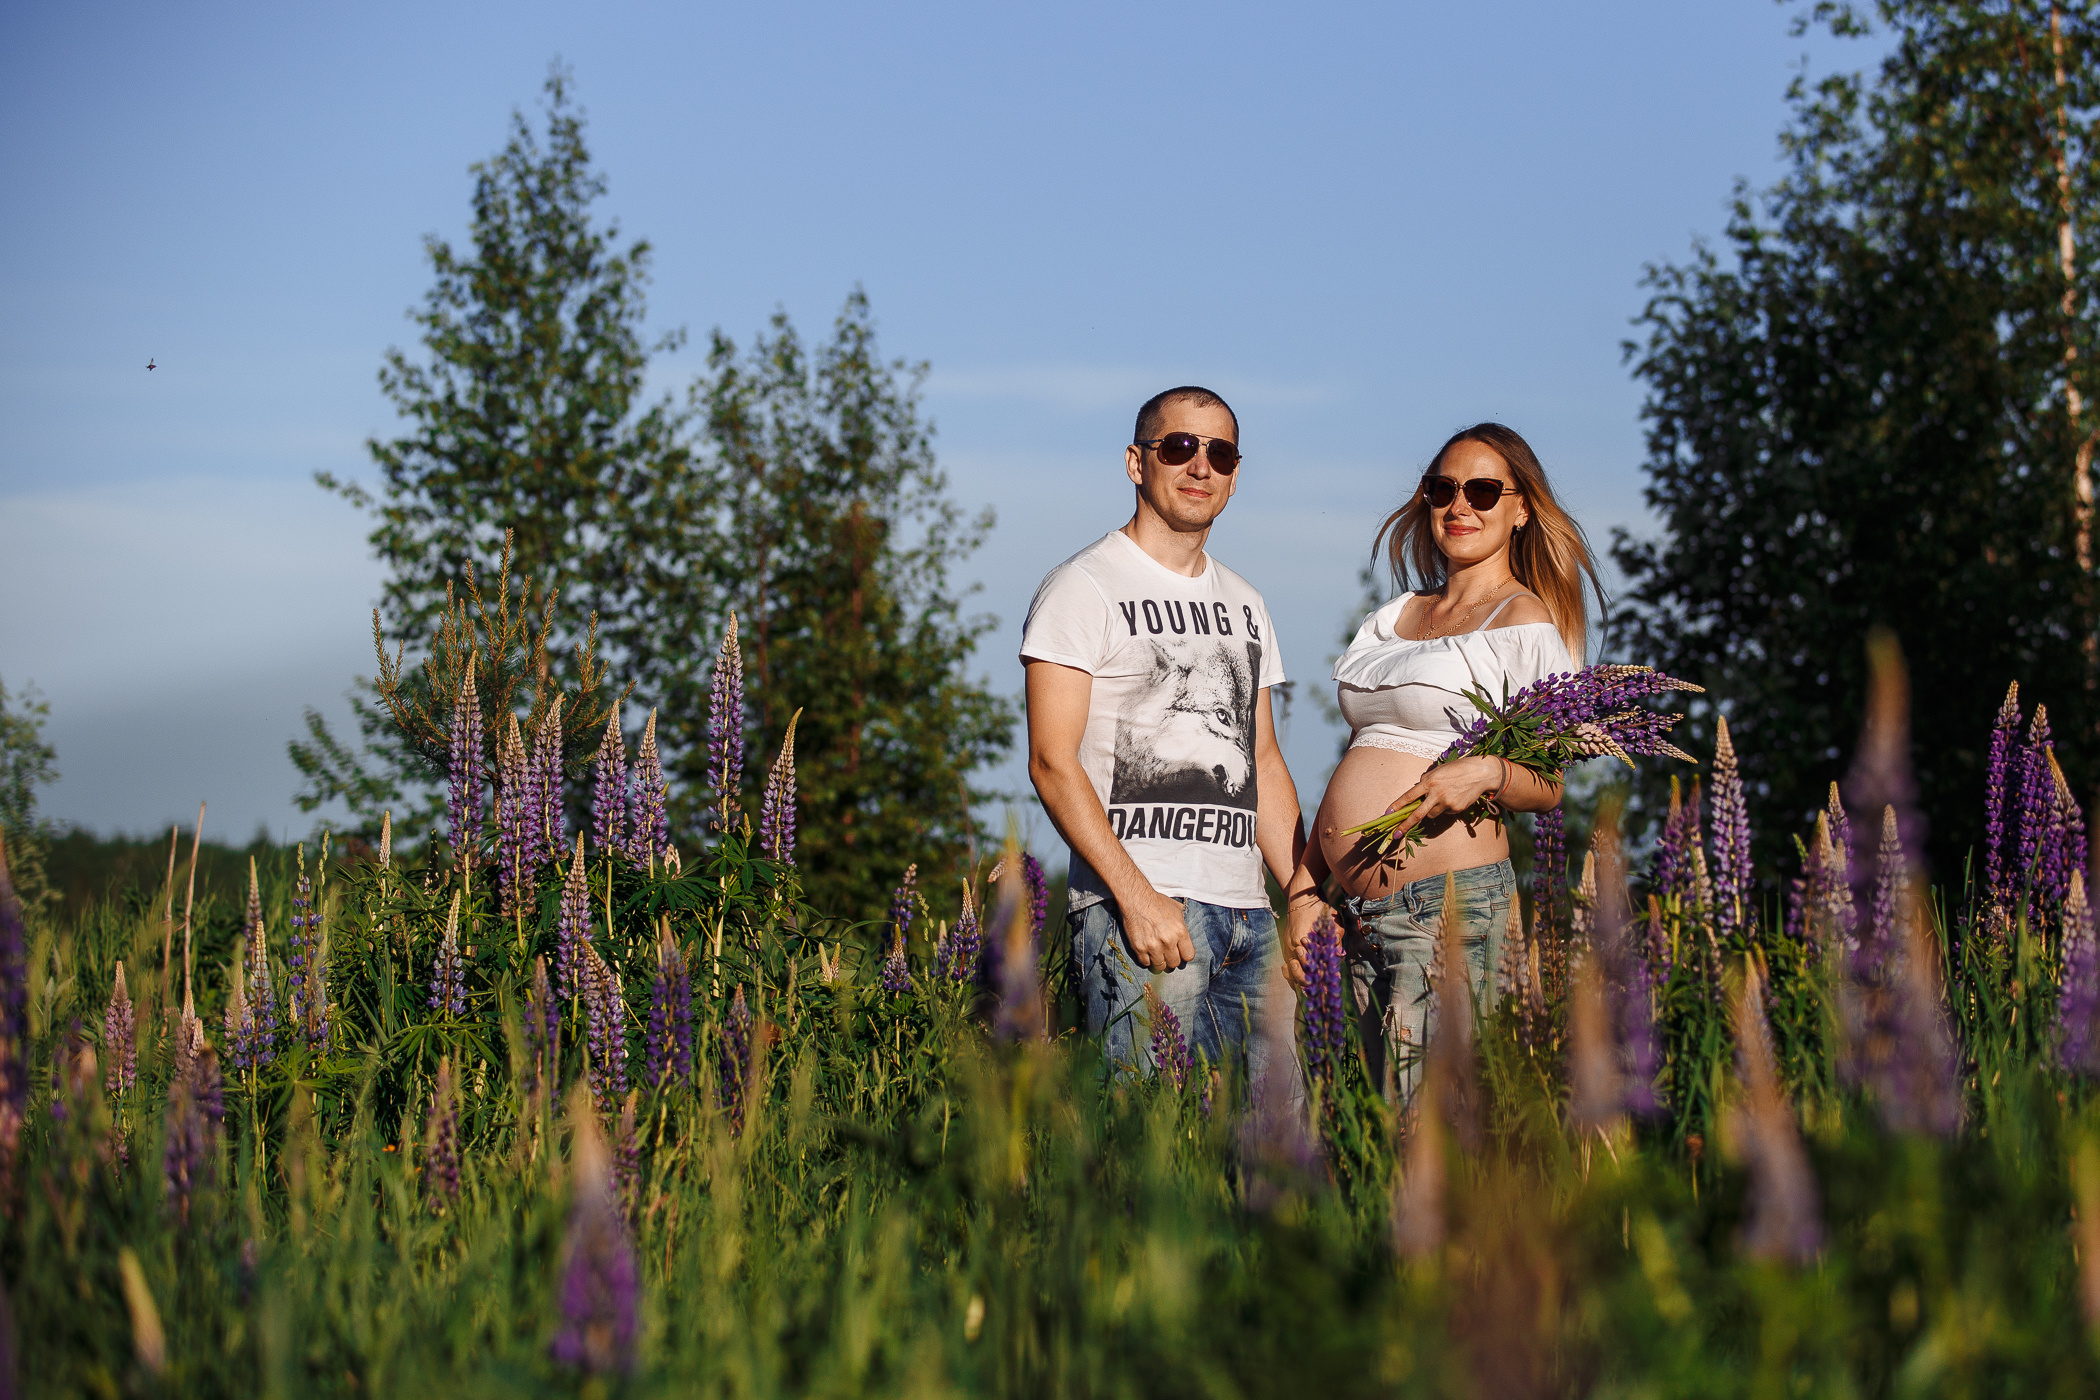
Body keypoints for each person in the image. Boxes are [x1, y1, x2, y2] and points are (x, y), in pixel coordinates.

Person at [1284, 422, 1602, 1099]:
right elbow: (1360, 757)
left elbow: (1549, 786)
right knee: (1351, 1135)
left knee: (1426, 1136)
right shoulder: (1393, 617)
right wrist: (1307, 889)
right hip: (1354, 919)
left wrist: (1486, 772)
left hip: (1447, 908)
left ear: (1520, 510)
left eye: (1484, 491)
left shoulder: (1524, 624)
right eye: (1443, 489)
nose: (1460, 507)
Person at [1021, 385, 1302, 1084]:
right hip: (1142, 912)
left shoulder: (1247, 601)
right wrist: (1137, 897)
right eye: (1178, 447)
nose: (1199, 466)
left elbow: (1261, 758)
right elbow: (1052, 763)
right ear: (1135, 462)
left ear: (1235, 476)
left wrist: (1301, 893)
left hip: (1251, 917)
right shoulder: (1083, 586)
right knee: (1144, 1141)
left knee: (1275, 1145)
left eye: (1220, 452)